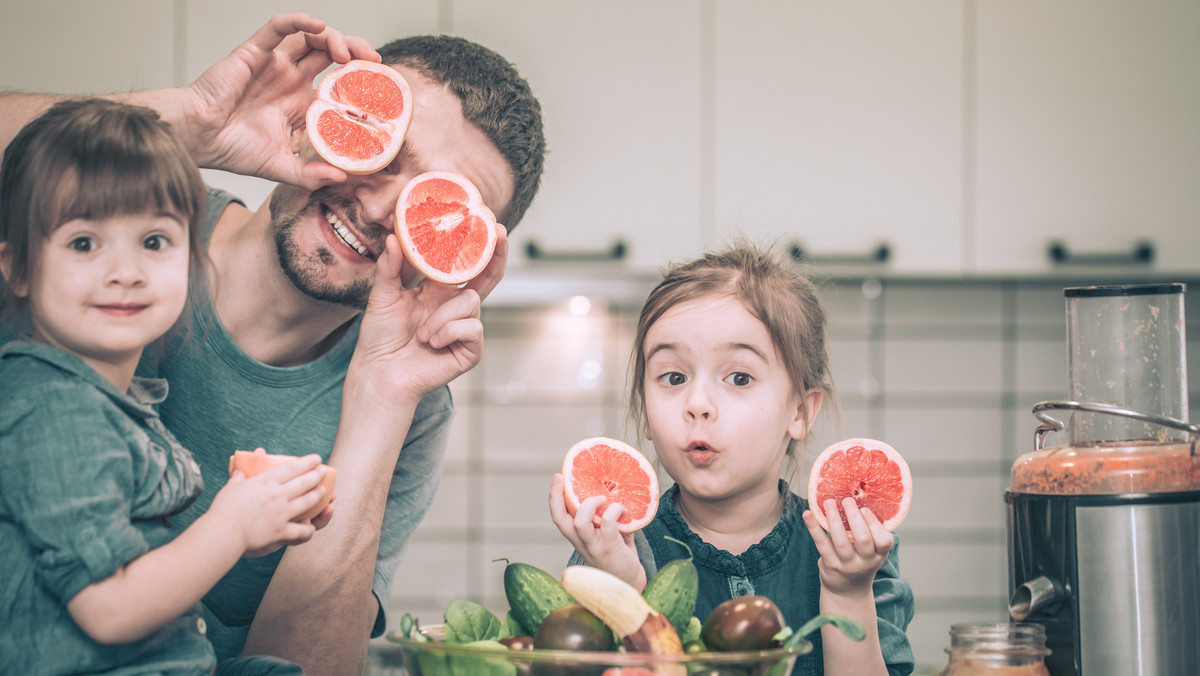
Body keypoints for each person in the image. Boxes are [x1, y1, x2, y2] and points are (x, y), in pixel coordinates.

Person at [0, 13, 546, 675]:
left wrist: (380, 394)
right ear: (328, 115)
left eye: (432, 207)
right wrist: (187, 125)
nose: (377, 211)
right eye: (383, 153)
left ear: (459, 254)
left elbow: (298, 666)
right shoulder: (113, 244)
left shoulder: (413, 404)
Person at [0, 99, 332, 675]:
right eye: (84, 243)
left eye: (154, 242)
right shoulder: (54, 409)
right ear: (19, 268)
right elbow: (109, 608)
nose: (125, 270)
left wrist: (257, 519)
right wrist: (231, 525)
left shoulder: (111, 398)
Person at [548, 243, 915, 676]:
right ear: (645, 410)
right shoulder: (613, 546)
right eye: (674, 377)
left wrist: (848, 592)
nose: (697, 403)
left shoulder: (853, 553)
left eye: (739, 377)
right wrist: (622, 589)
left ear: (799, 411)